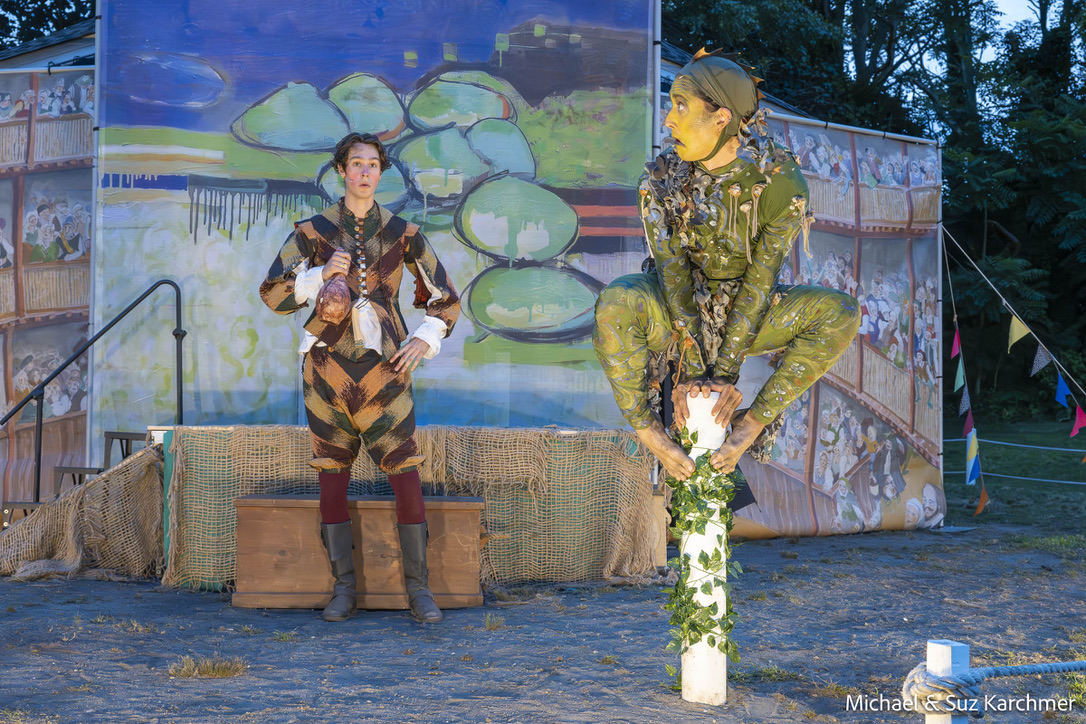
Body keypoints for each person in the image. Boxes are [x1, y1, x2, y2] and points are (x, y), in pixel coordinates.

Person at [593, 50, 860, 490]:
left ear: (721, 117)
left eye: (681, 106)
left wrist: (726, 383)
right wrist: (694, 377)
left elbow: (760, 283)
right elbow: (674, 281)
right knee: (617, 301)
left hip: (748, 313)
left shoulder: (779, 182)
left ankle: (751, 428)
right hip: (676, 313)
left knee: (841, 312)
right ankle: (650, 432)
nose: (668, 122)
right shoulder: (660, 180)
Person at [260, 131, 459, 624]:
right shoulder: (312, 230)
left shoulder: (404, 233)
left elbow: (446, 298)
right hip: (325, 366)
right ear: (342, 170)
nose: (365, 171)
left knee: (405, 471)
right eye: (356, 163)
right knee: (332, 473)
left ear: (381, 172)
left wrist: (425, 338)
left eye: (373, 164)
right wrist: (318, 274)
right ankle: (343, 588)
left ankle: (419, 590)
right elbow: (272, 294)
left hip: (385, 369)